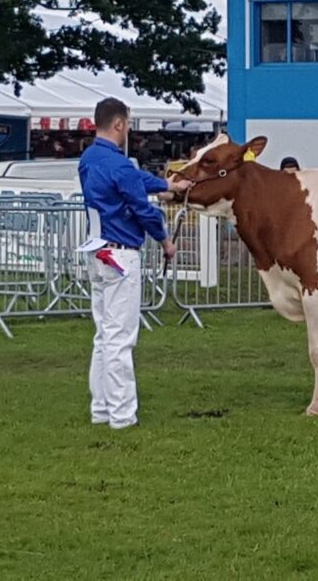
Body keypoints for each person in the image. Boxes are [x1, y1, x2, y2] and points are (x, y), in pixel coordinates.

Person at [78, 97, 191, 429]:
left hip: (97, 248)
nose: (128, 129)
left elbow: (133, 180)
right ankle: (122, 415)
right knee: (120, 337)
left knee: (103, 335)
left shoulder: (89, 159)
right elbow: (142, 207)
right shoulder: (121, 165)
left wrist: (166, 185)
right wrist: (166, 241)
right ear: (118, 124)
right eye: (127, 123)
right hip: (122, 253)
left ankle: (101, 408)